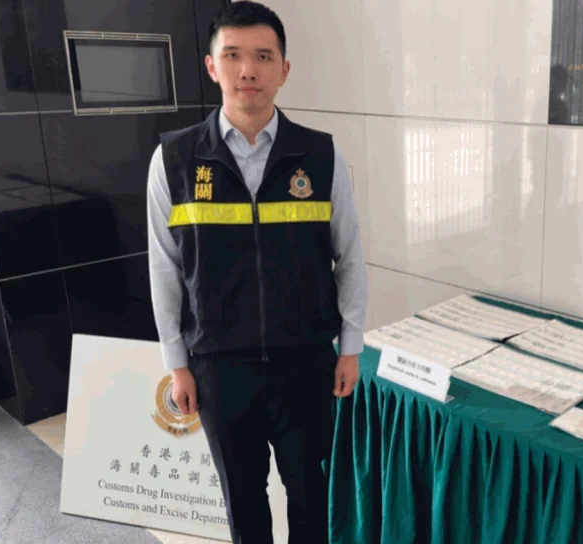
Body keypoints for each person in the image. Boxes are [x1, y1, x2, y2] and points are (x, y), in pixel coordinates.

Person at [145, 2, 367, 542]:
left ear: (284, 69)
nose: (249, 70)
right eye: (234, 55)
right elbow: (165, 269)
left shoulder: (321, 156)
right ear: (212, 66)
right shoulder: (173, 161)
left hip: (306, 363)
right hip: (220, 368)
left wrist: (351, 347)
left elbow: (351, 254)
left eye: (264, 56)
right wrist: (178, 365)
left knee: (312, 497)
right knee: (243, 502)